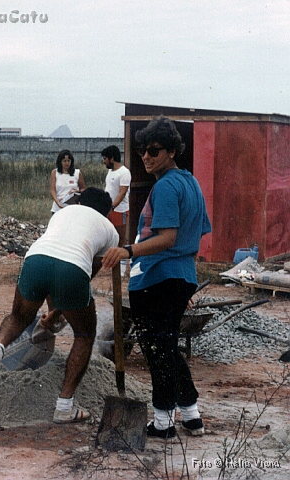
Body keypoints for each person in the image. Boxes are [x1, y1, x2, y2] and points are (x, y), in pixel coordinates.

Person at [102, 116, 211, 439]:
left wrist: (128, 251)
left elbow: (168, 238)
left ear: (172, 150)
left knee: (157, 349)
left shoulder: (165, 188)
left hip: (156, 278)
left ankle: (163, 421)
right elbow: (197, 234)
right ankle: (190, 414)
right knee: (165, 346)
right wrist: (183, 281)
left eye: (154, 150)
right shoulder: (190, 182)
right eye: (142, 152)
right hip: (178, 277)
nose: (146, 157)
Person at [0, 187, 118, 424]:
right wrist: (59, 312)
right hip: (72, 269)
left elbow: (55, 258)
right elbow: (82, 275)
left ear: (80, 202)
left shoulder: (62, 213)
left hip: (35, 259)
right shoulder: (110, 230)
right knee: (84, 333)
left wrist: (54, 312)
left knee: (18, 317)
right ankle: (64, 407)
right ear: (107, 212)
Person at [101, 145, 132, 275]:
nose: (104, 161)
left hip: (120, 210)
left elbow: (122, 192)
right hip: (108, 209)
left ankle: (122, 269)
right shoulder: (110, 172)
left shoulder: (124, 172)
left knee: (121, 238)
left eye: (105, 158)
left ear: (112, 158)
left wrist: (112, 207)